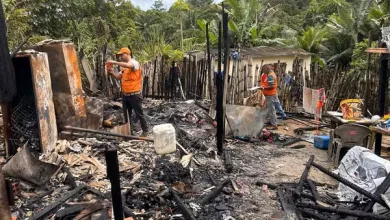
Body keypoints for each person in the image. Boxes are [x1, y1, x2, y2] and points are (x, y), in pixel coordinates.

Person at [107, 47, 148, 137]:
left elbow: (129, 65)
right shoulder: (124, 68)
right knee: (127, 116)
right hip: (126, 95)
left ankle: (145, 131)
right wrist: (112, 72)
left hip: (135, 94)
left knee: (139, 114)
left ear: (127, 54)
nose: (121, 56)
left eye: (122, 55)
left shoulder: (134, 63)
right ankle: (129, 132)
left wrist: (114, 62)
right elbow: (118, 77)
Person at [260, 65, 282, 130]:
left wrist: (263, 87)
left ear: (267, 69)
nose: (263, 72)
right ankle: (270, 121)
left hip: (270, 95)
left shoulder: (270, 76)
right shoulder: (271, 73)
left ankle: (274, 125)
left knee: (271, 110)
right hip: (271, 94)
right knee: (268, 109)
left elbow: (271, 86)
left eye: (264, 70)